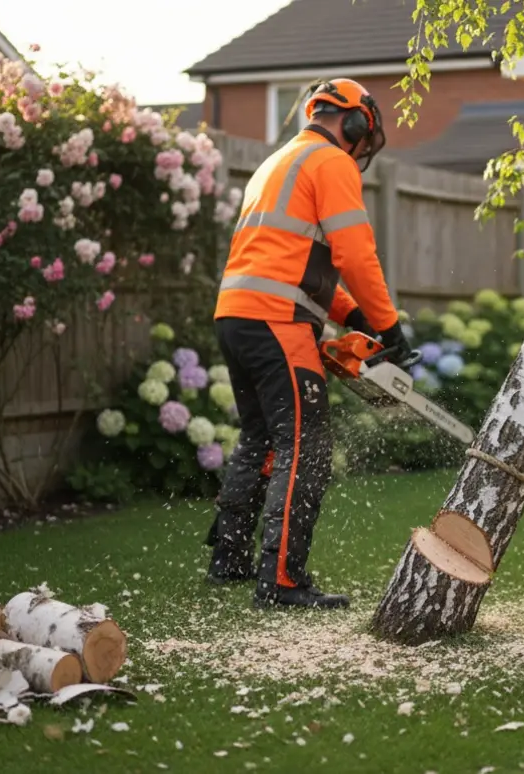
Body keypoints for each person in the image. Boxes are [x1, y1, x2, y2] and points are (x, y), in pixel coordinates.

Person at [203, 78, 416, 610]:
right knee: (306, 447)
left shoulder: (278, 163)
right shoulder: (331, 162)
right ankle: (282, 581)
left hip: (237, 315)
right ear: (355, 123)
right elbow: (354, 253)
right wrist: (388, 327)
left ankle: (228, 558)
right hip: (277, 321)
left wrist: (355, 315)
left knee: (262, 439)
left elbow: (298, 263)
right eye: (363, 133)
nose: (363, 145)